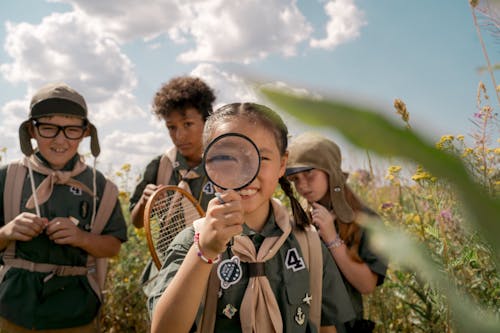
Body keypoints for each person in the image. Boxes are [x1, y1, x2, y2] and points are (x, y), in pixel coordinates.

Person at [149, 103, 356, 333]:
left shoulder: (309, 244)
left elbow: (326, 327)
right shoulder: (191, 244)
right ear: (208, 163)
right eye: (227, 157)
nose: (245, 173)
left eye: (261, 157)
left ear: (282, 165)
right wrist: (204, 252)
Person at [0, 82, 128, 332]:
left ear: (85, 133)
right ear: (31, 132)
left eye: (71, 130)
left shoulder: (101, 187)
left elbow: (112, 247)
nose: (60, 140)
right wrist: (7, 232)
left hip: (75, 313)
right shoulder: (7, 178)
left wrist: (81, 238)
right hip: (11, 310)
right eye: (48, 128)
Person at [286, 132, 388, 333]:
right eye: (295, 179)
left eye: (309, 175)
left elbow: (367, 285)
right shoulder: (298, 220)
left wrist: (332, 238)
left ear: (330, 171)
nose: (302, 185)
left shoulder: (367, 220)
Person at [129, 76, 217, 292]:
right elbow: (137, 222)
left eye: (188, 124)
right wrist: (145, 203)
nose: (179, 135)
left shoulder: (223, 166)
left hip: (212, 275)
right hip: (164, 274)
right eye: (171, 127)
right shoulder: (159, 166)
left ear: (207, 121)